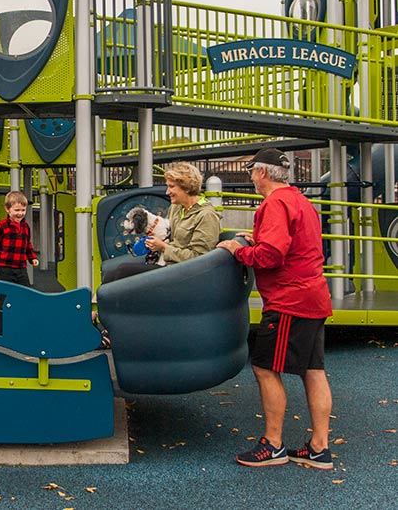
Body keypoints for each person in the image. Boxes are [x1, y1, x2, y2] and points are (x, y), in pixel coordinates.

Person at [217, 147, 334, 470]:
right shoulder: (299, 200)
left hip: (289, 301)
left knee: (265, 367)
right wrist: (255, 239)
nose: (251, 176)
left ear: (263, 173)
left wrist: (237, 250)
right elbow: (291, 243)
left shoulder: (274, 203)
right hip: (314, 296)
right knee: (313, 370)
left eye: (252, 170)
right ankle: (319, 448)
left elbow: (271, 256)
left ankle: (273, 445)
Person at [103, 161, 220, 282]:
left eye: (172, 187)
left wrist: (163, 247)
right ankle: (94, 301)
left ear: (187, 187)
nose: (167, 192)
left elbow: (200, 258)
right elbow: (170, 236)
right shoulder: (177, 207)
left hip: (184, 274)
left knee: (123, 271)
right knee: (110, 274)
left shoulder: (206, 215)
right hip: (167, 265)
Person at [0, 190, 39, 286]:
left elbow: (28, 245)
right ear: (7, 209)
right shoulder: (2, 225)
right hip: (4, 267)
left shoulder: (25, 226)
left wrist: (32, 258)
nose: (20, 213)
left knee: (25, 290)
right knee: (7, 290)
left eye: (23, 210)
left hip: (21, 267)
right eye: (17, 210)